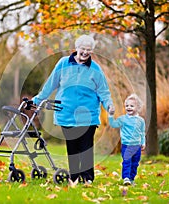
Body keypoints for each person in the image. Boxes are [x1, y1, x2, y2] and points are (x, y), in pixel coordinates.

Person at [32, 34, 115, 185]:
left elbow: (103, 91)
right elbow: (51, 84)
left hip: (88, 115)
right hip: (66, 114)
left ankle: (87, 178)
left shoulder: (95, 69)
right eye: (82, 49)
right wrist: (36, 100)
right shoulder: (63, 63)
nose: (85, 52)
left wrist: (109, 104)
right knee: (73, 147)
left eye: (88, 50)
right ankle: (74, 178)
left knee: (86, 147)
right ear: (76, 48)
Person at [108, 93, 145, 186]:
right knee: (127, 161)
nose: (129, 107)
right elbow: (113, 124)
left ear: (138, 107)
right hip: (126, 145)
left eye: (132, 106)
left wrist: (143, 142)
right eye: (127, 106)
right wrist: (110, 116)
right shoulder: (123, 119)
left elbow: (142, 132)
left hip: (137, 146)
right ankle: (126, 178)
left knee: (135, 164)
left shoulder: (141, 121)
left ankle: (132, 178)